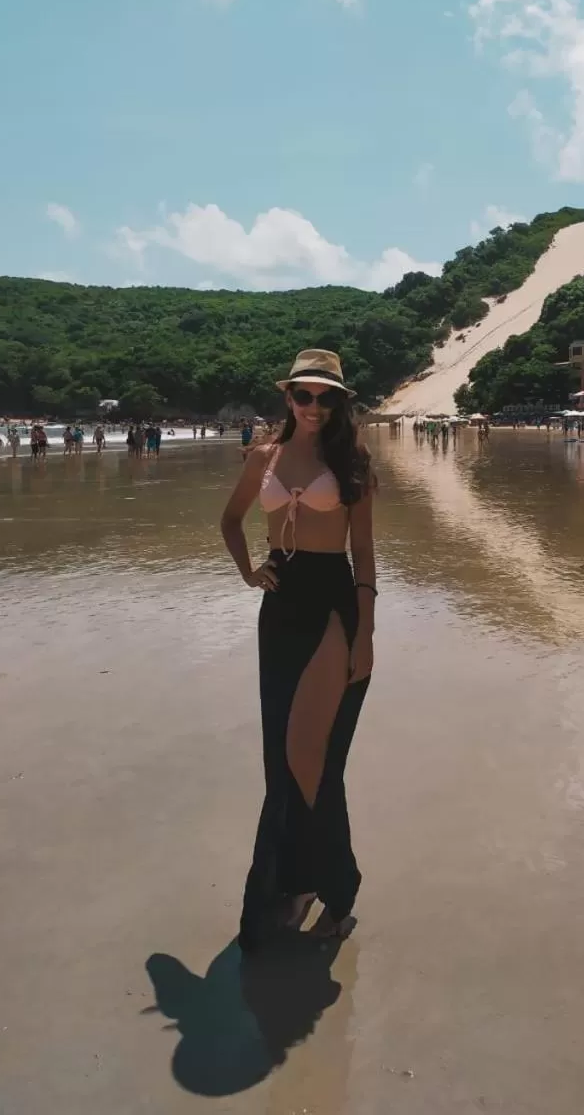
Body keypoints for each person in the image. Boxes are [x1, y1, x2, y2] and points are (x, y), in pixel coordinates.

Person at [220, 349, 375, 953]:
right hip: (280, 609)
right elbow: (230, 521)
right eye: (304, 395)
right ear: (288, 397)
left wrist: (367, 633)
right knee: (282, 764)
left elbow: (363, 554)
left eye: (326, 396)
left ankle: (338, 889)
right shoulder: (263, 456)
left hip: (335, 605)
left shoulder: (352, 460)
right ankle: (300, 884)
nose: (314, 406)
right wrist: (248, 572)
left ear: (339, 403)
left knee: (315, 761)